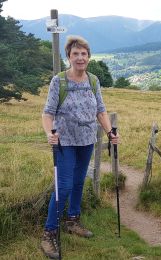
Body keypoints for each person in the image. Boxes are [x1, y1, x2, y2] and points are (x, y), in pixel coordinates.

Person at [40, 35, 119, 259]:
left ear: (89, 57)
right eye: (76, 54)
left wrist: (109, 131)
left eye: (84, 54)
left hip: (87, 141)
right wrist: (49, 133)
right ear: (69, 57)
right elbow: (48, 113)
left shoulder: (93, 81)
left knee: (78, 183)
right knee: (63, 186)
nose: (80, 57)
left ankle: (73, 220)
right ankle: (49, 232)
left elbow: (100, 111)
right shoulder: (59, 81)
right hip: (65, 142)